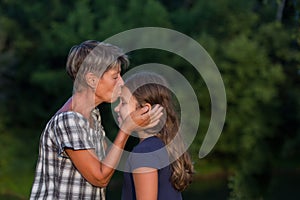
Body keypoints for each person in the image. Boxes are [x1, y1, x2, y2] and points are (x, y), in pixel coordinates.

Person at [30, 40, 163, 199]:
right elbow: (100, 177)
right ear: (91, 80)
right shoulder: (68, 121)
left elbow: (109, 163)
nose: (121, 82)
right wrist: (126, 130)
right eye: (115, 77)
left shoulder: (93, 116)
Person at [114, 72, 194, 200]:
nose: (116, 109)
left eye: (123, 102)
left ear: (145, 109)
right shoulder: (161, 145)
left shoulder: (144, 152)